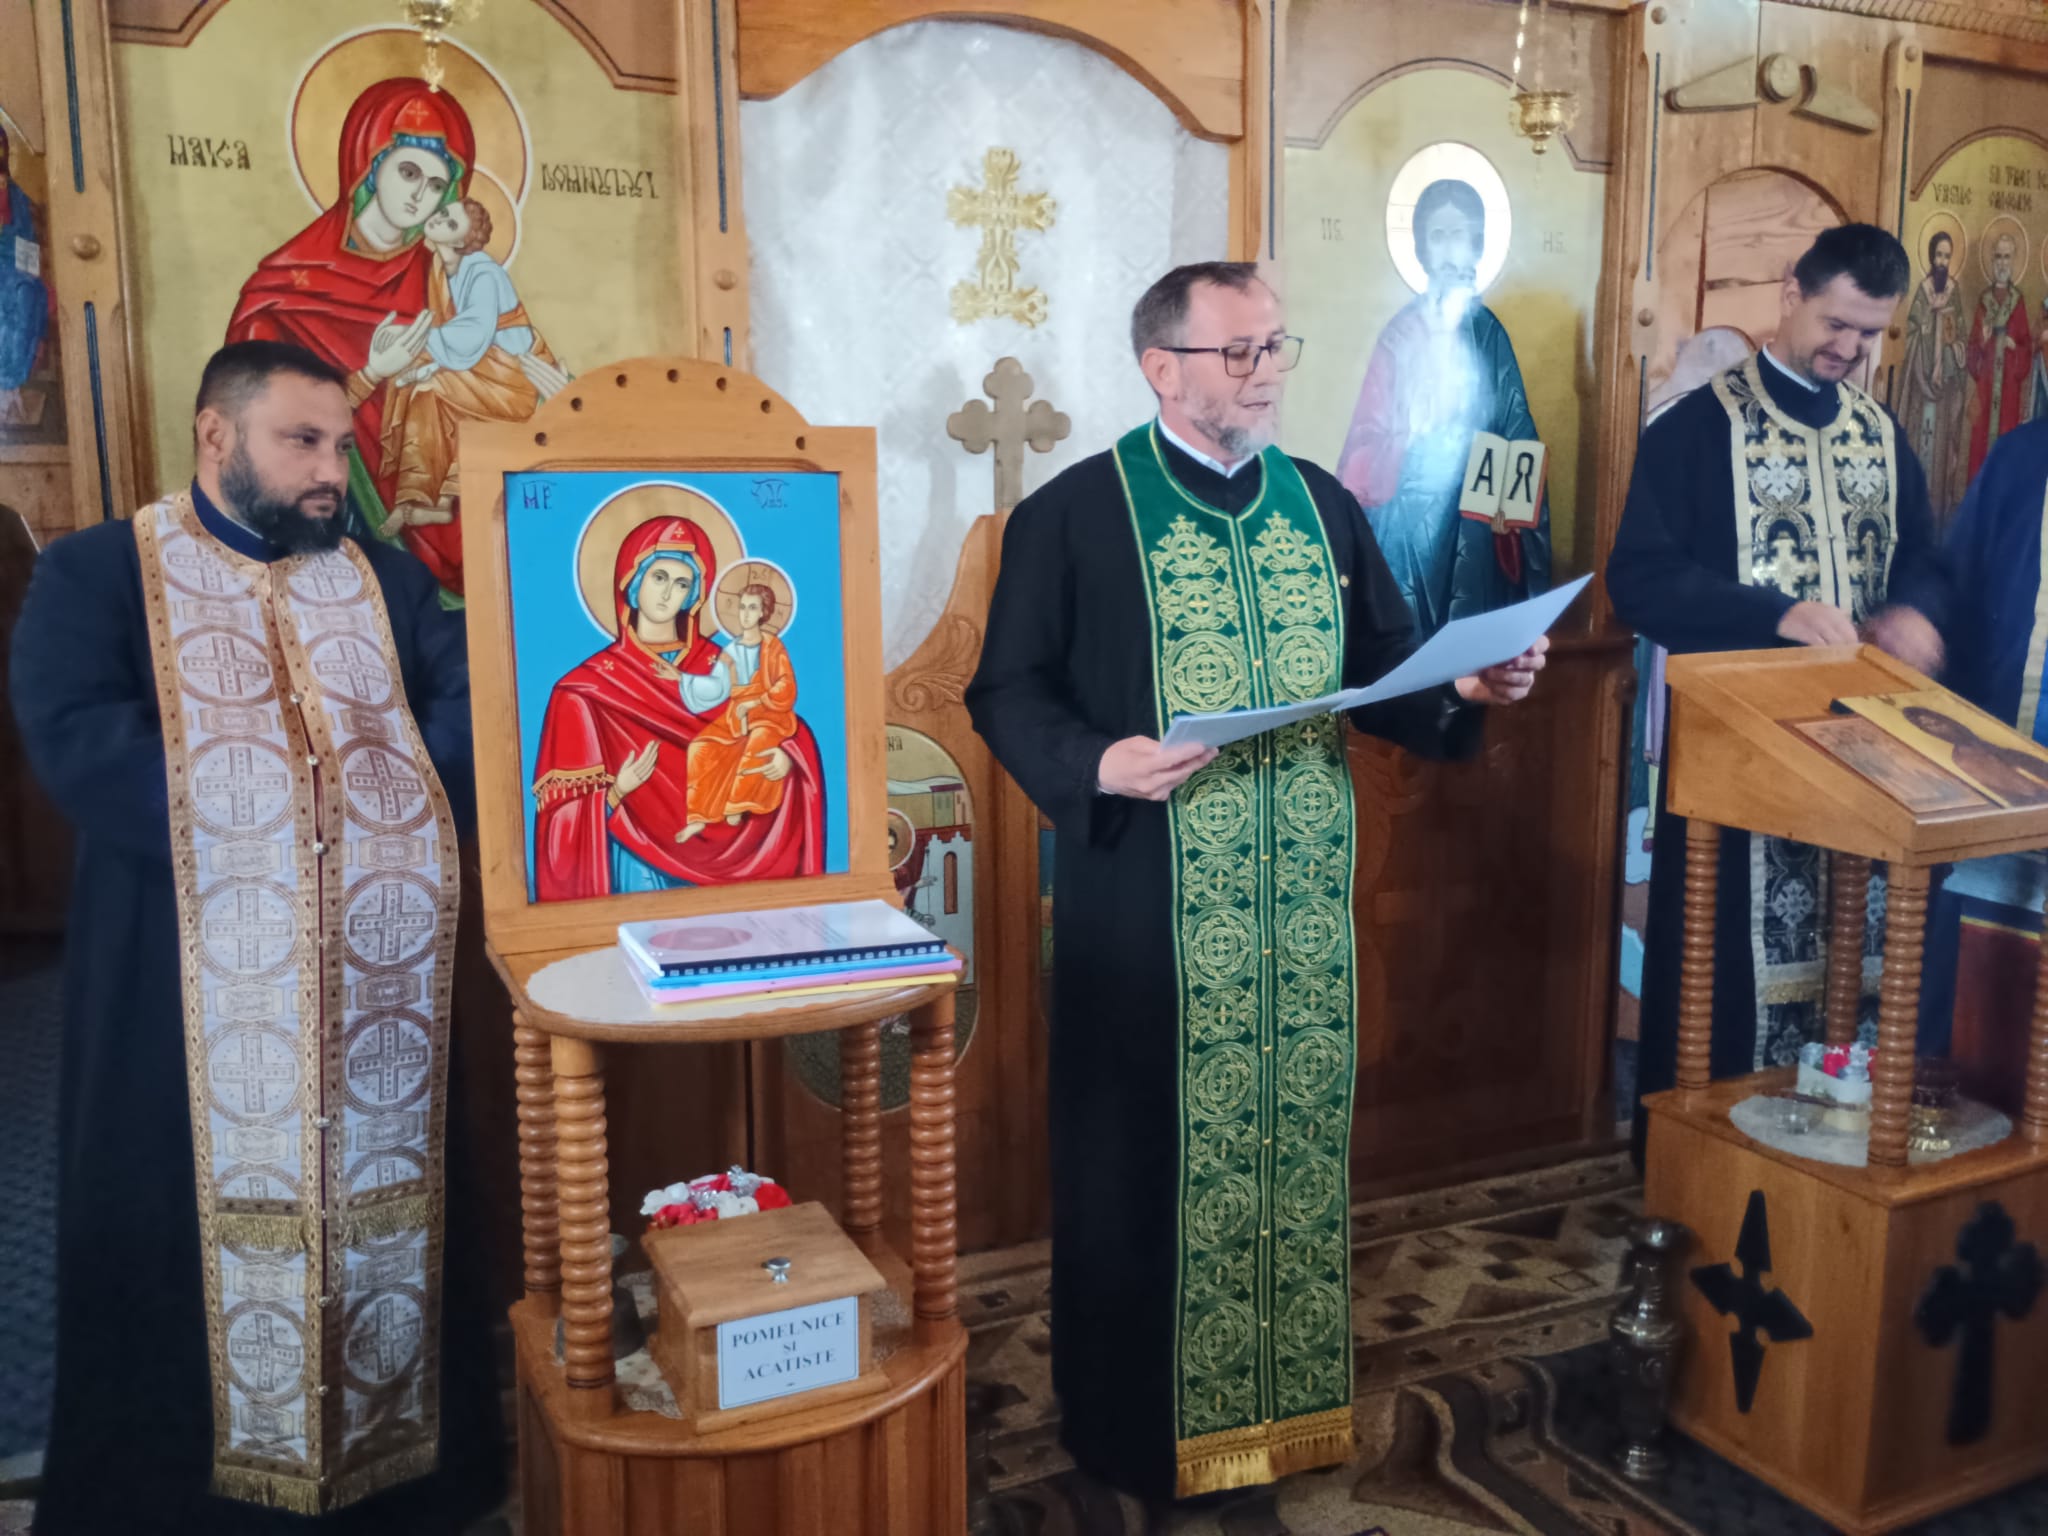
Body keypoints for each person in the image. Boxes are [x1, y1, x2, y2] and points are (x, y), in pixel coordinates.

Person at [964, 261, 1547, 1506]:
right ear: (1159, 367)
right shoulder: (1074, 515)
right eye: (1238, 352)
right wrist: (1097, 762)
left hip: (1301, 913)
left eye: (1276, 346)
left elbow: (1384, 665)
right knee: (1139, 1168)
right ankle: (1132, 1435)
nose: (1267, 372)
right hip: (1147, 908)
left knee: (1288, 1156)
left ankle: (1283, 1415)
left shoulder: (1320, 505)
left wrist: (1466, 683)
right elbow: (1004, 689)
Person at [9, 340, 502, 1533]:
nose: (333, 471)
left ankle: (402, 1496)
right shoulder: (100, 572)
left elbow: (468, 705)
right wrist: (305, 807)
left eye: (341, 444)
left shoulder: (383, 585)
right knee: (178, 1244)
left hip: (377, 990)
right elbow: (75, 735)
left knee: (390, 1223)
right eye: (303, 442)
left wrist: (367, 798)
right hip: (180, 990)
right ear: (216, 436)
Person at [1609, 224, 1954, 1152]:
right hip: (1737, 777)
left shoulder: (1882, 436)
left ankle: (1834, 1168)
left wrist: (1916, 613)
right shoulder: (1697, 428)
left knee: (1857, 975)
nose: (1849, 349)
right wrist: (1775, 613)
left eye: (1870, 334)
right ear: (1791, 294)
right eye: (1836, 324)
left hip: (1866, 768)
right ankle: (1707, 1169)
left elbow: (1924, 560)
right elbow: (1639, 580)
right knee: (1723, 988)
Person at [529, 517, 825, 898]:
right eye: (659, 578)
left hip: (734, 866)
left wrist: (786, 759)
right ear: (633, 582)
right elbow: (560, 824)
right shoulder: (584, 691)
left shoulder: (724, 664)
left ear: (694, 595)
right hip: (635, 859)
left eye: (682, 583)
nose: (669, 594)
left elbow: (780, 721)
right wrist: (617, 791)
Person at [1334, 177, 1550, 639]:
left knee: (1471, 643)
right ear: (1420, 248)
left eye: (1460, 235)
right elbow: (1365, 440)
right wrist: (1412, 443)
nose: (1451, 250)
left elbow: (1518, 432)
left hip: (1477, 524)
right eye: (1438, 235)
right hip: (1412, 522)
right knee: (1411, 641)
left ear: (1478, 246)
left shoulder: (1488, 332)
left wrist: (1509, 509)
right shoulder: (1400, 335)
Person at [380, 196, 569, 533]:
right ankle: (422, 500)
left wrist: (415, 342)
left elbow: (471, 336)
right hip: (478, 371)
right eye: (443, 213)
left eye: (451, 223)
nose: (439, 220)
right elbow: (459, 344)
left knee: (427, 390)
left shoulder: (482, 273)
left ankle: (430, 501)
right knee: (416, 387)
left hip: (511, 378)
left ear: (461, 242)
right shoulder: (440, 269)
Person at [679, 580, 800, 844]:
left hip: (769, 713)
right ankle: (698, 817)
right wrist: (681, 679)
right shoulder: (731, 650)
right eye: (742, 607)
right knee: (700, 747)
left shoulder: (773, 647)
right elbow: (718, 687)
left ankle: (737, 804)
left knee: (758, 743)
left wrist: (756, 702)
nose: (745, 614)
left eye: (752, 608)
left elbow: (786, 685)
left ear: (763, 612)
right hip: (736, 715)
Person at [1897, 229, 1970, 524]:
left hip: (1945, 392)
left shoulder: (1954, 290)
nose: (1942, 262)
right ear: (1930, 256)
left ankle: (1937, 520)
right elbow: (1910, 333)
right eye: (1938, 255)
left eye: (1947, 256)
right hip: (1921, 386)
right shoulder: (1924, 290)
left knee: (1940, 455)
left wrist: (1955, 349)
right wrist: (1929, 318)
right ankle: (1911, 518)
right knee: (1919, 448)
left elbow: (1961, 335)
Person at [1965, 231, 2032, 487]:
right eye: (1998, 257)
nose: (2002, 263)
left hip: (2008, 396)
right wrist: (1983, 342)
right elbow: (1972, 352)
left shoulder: (2018, 302)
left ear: (2013, 260)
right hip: (1985, 393)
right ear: (1992, 260)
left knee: (2006, 445)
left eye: (2007, 257)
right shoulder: (1984, 302)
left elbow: (2027, 349)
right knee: (1980, 448)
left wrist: (2014, 346)